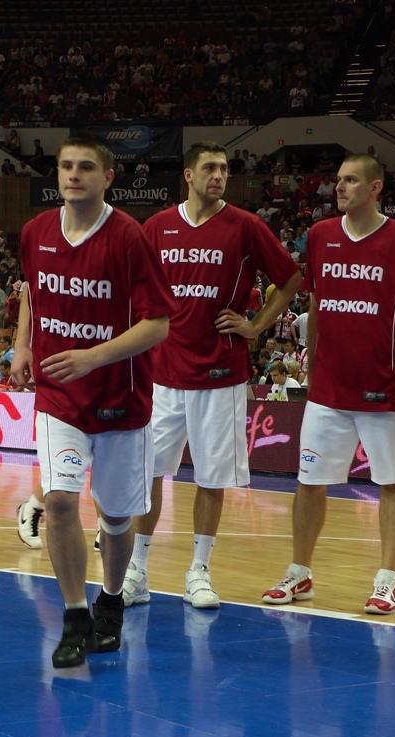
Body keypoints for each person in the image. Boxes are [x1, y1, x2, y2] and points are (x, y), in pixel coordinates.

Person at [261, 154, 395, 616]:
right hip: (328, 389)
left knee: (392, 481)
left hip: (386, 389)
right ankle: (299, 572)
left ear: (376, 188)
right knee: (309, 482)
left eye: (350, 180)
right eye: (338, 180)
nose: (339, 188)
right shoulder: (322, 236)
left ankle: (387, 579)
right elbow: (316, 304)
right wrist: (308, 359)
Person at [13, 135, 175, 668]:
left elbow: (157, 324)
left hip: (121, 398)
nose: (73, 175)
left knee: (116, 517)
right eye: (65, 166)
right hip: (59, 396)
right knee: (59, 502)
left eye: (85, 167)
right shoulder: (36, 231)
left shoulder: (129, 237)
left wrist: (92, 357)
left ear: (108, 177)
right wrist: (22, 344)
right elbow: (31, 292)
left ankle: (111, 602)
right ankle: (76, 615)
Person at [121, 141, 302, 611]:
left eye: (224, 168)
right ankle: (137, 569)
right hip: (160, 373)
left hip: (220, 373)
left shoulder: (246, 226)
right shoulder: (157, 227)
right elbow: (132, 290)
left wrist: (257, 325)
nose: (218, 175)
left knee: (211, 478)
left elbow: (291, 278)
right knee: (149, 474)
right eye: (209, 168)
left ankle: (198, 571)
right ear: (188, 174)